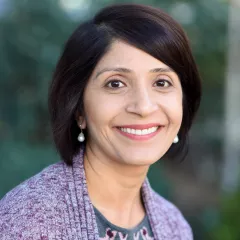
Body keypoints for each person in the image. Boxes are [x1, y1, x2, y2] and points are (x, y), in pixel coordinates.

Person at [0, 3, 201, 240]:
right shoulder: (29, 221)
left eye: (161, 82)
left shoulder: (175, 226)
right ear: (78, 109)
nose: (144, 107)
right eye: (115, 83)